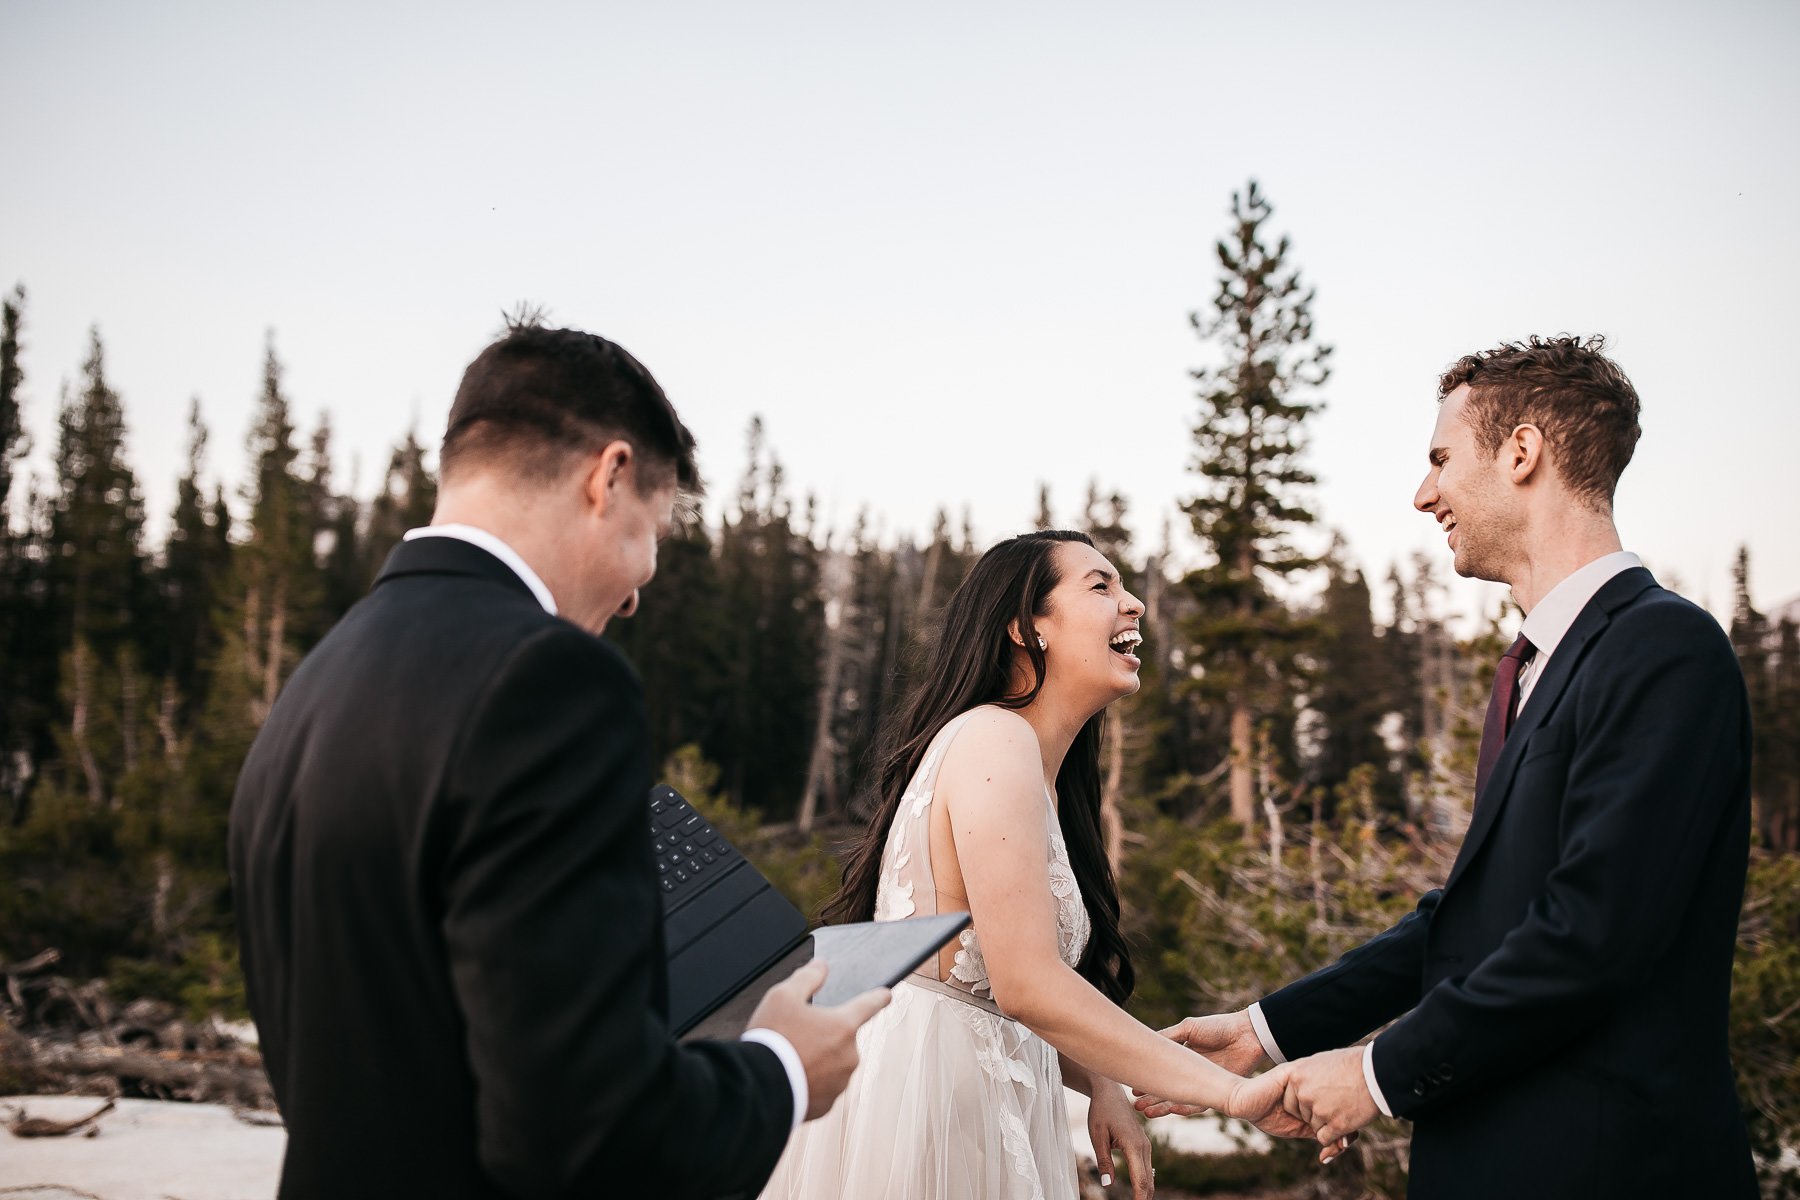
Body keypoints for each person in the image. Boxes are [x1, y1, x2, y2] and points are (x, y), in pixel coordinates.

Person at [228, 323, 889, 1200]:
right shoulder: (549, 681)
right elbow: (588, 1134)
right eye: (652, 531)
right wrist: (781, 1070)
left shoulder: (314, 687)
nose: (640, 589)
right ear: (607, 477)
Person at [1139, 336, 1758, 1197]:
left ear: (1521, 452)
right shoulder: (1532, 668)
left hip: (1610, 1166)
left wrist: (1375, 1075)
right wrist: (1266, 1029)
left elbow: (1592, 933)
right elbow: (1474, 918)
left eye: (1440, 459)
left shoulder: (1665, 649)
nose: (1424, 493)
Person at [760, 530, 1332, 1200]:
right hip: (932, 1106)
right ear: (1026, 625)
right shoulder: (994, 739)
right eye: (1102, 586)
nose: (1135, 605)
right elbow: (1025, 984)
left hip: (978, 1099)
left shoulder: (1034, 769)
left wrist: (1106, 1082)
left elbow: (993, 989)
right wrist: (1235, 1094)